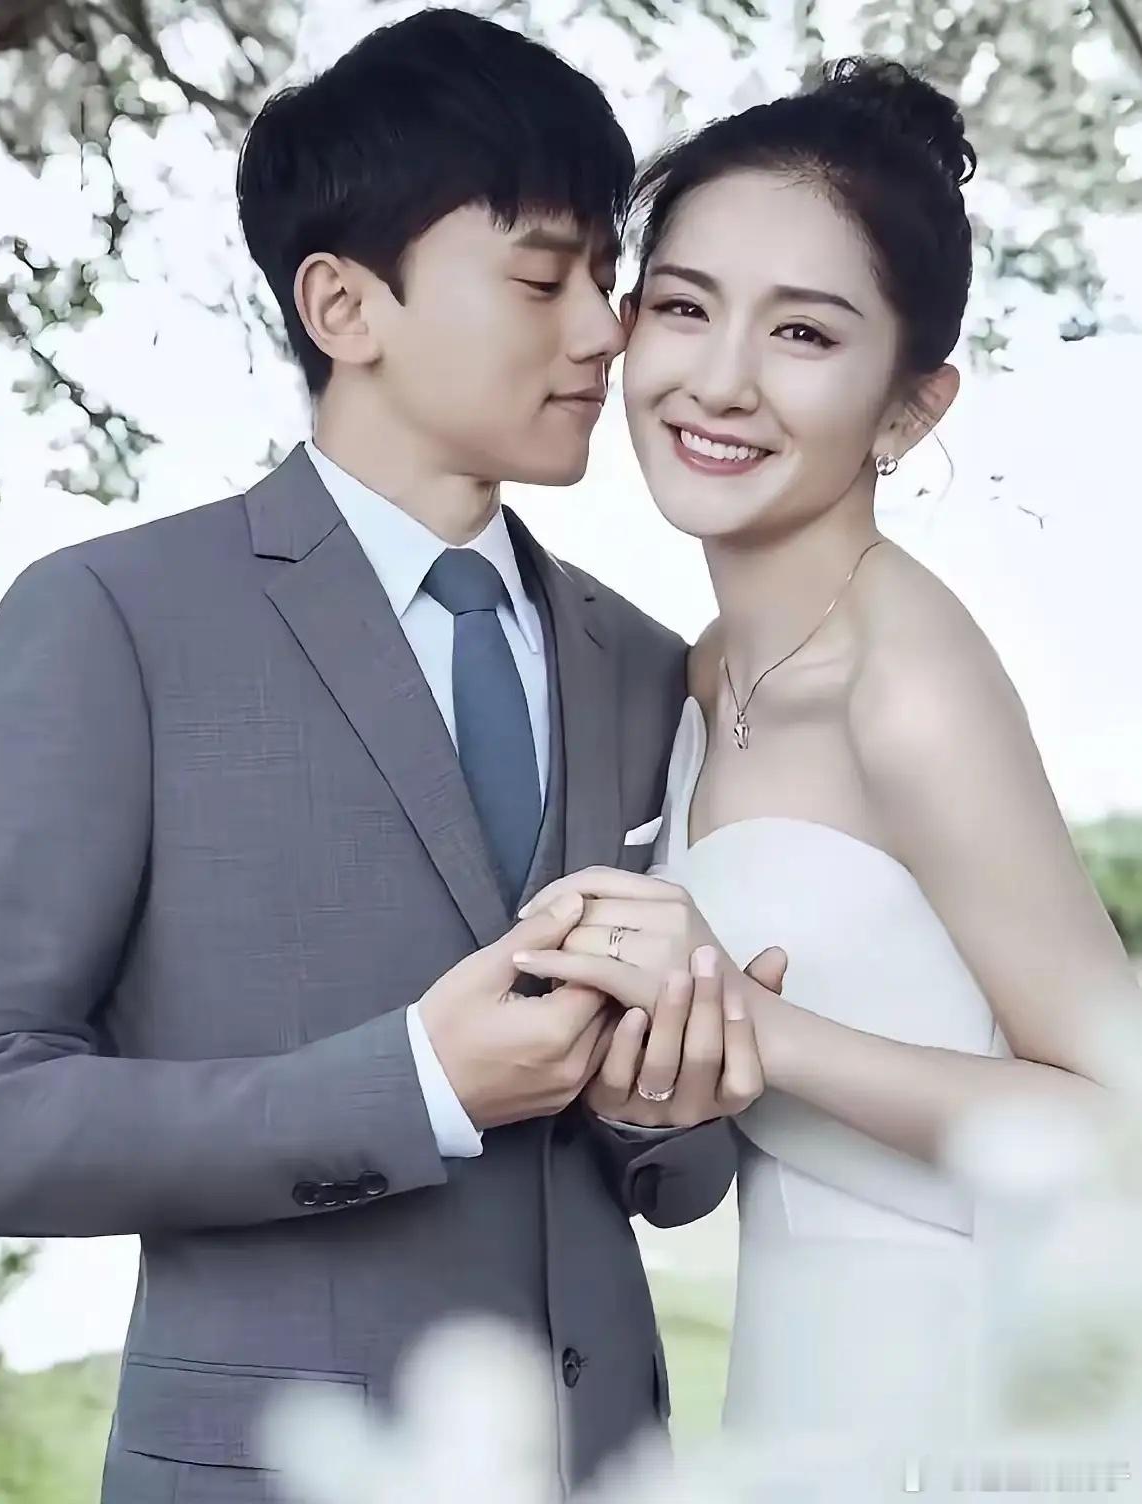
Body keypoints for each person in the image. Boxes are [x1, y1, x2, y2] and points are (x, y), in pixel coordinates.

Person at [0, 13, 773, 1502]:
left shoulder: (650, 663)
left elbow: (676, 1180)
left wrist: (666, 1109)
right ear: (342, 304)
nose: (604, 331)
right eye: (542, 278)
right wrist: (410, 1083)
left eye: (607, 278)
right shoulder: (115, 617)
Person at [514, 57, 1137, 1493]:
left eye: (802, 332)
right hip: (801, 1383)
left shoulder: (902, 686)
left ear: (907, 409)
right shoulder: (701, 675)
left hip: (966, 1408)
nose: (719, 379)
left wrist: (758, 1031)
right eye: (684, 306)